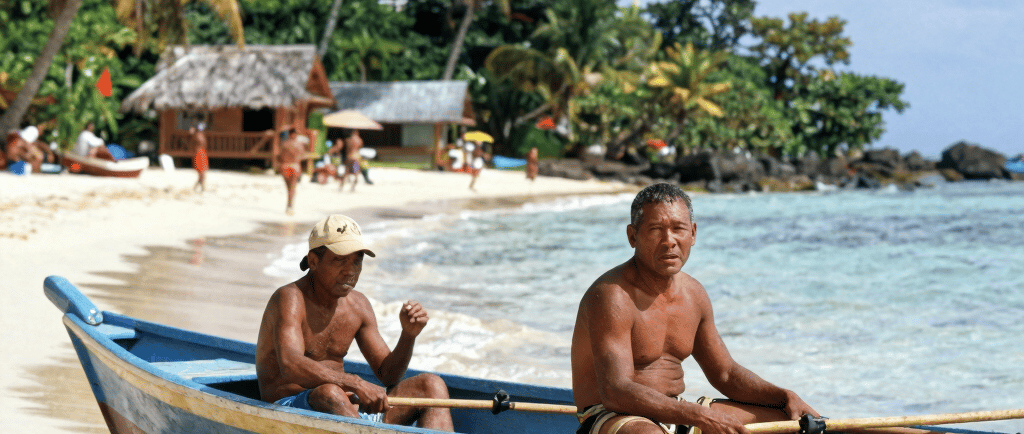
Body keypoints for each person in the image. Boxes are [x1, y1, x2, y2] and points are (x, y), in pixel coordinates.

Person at [571, 183, 818, 434]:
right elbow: (616, 391)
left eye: (678, 229)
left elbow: (725, 374)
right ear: (632, 236)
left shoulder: (693, 294)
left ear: (693, 233)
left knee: (788, 425)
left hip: (677, 411)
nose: (669, 241)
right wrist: (699, 415)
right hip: (614, 416)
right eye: (656, 230)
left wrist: (784, 396)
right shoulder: (612, 296)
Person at [255, 215, 453, 431]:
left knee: (431, 385)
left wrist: (408, 335)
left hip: (350, 414)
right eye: (340, 260)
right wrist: (356, 384)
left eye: (357, 260)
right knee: (329, 392)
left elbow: (388, 375)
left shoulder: (358, 305)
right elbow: (290, 365)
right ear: (313, 261)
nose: (351, 271)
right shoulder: (290, 298)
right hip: (290, 410)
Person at [276, 132, 306, 215]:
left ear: (289, 134)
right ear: (295, 135)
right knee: (292, 187)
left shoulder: (284, 144)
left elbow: (279, 156)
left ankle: (288, 205)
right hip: (294, 167)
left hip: (285, 166)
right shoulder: (299, 144)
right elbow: (302, 156)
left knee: (288, 187)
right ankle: (290, 206)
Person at [190, 124, 209, 192]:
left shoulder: (200, 135)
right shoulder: (197, 135)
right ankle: (201, 187)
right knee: (202, 173)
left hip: (202, 153)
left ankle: (198, 187)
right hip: (199, 154)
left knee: (203, 173)